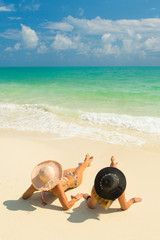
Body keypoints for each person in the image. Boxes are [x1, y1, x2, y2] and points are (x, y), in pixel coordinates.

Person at [22, 154, 93, 210]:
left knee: (81, 167)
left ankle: (86, 163)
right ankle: (86, 162)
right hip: (75, 178)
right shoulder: (57, 187)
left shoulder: (37, 184)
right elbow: (66, 207)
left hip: (66, 175)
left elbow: (24, 196)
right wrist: (76, 198)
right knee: (81, 167)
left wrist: (34, 188)